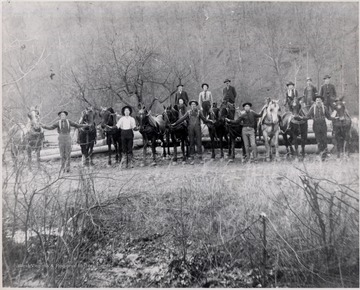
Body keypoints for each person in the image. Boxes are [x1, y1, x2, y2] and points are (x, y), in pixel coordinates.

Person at [171, 100, 214, 164]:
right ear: (190, 106)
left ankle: (200, 158)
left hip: (198, 129)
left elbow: (204, 120)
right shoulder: (188, 112)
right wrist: (175, 123)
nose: (193, 105)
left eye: (194, 104)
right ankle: (192, 159)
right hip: (190, 129)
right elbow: (182, 119)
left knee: (199, 143)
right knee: (191, 143)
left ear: (196, 106)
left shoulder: (199, 112)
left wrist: (210, 121)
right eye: (192, 104)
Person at [297, 95, 332, 161]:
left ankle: (325, 155)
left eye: (319, 100)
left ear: (321, 101)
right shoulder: (313, 108)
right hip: (316, 125)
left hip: (323, 125)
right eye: (317, 100)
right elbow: (308, 116)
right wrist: (301, 118)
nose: (318, 101)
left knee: (324, 140)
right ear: (315, 101)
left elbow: (328, 117)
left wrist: (334, 118)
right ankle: (321, 155)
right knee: (319, 141)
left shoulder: (324, 108)